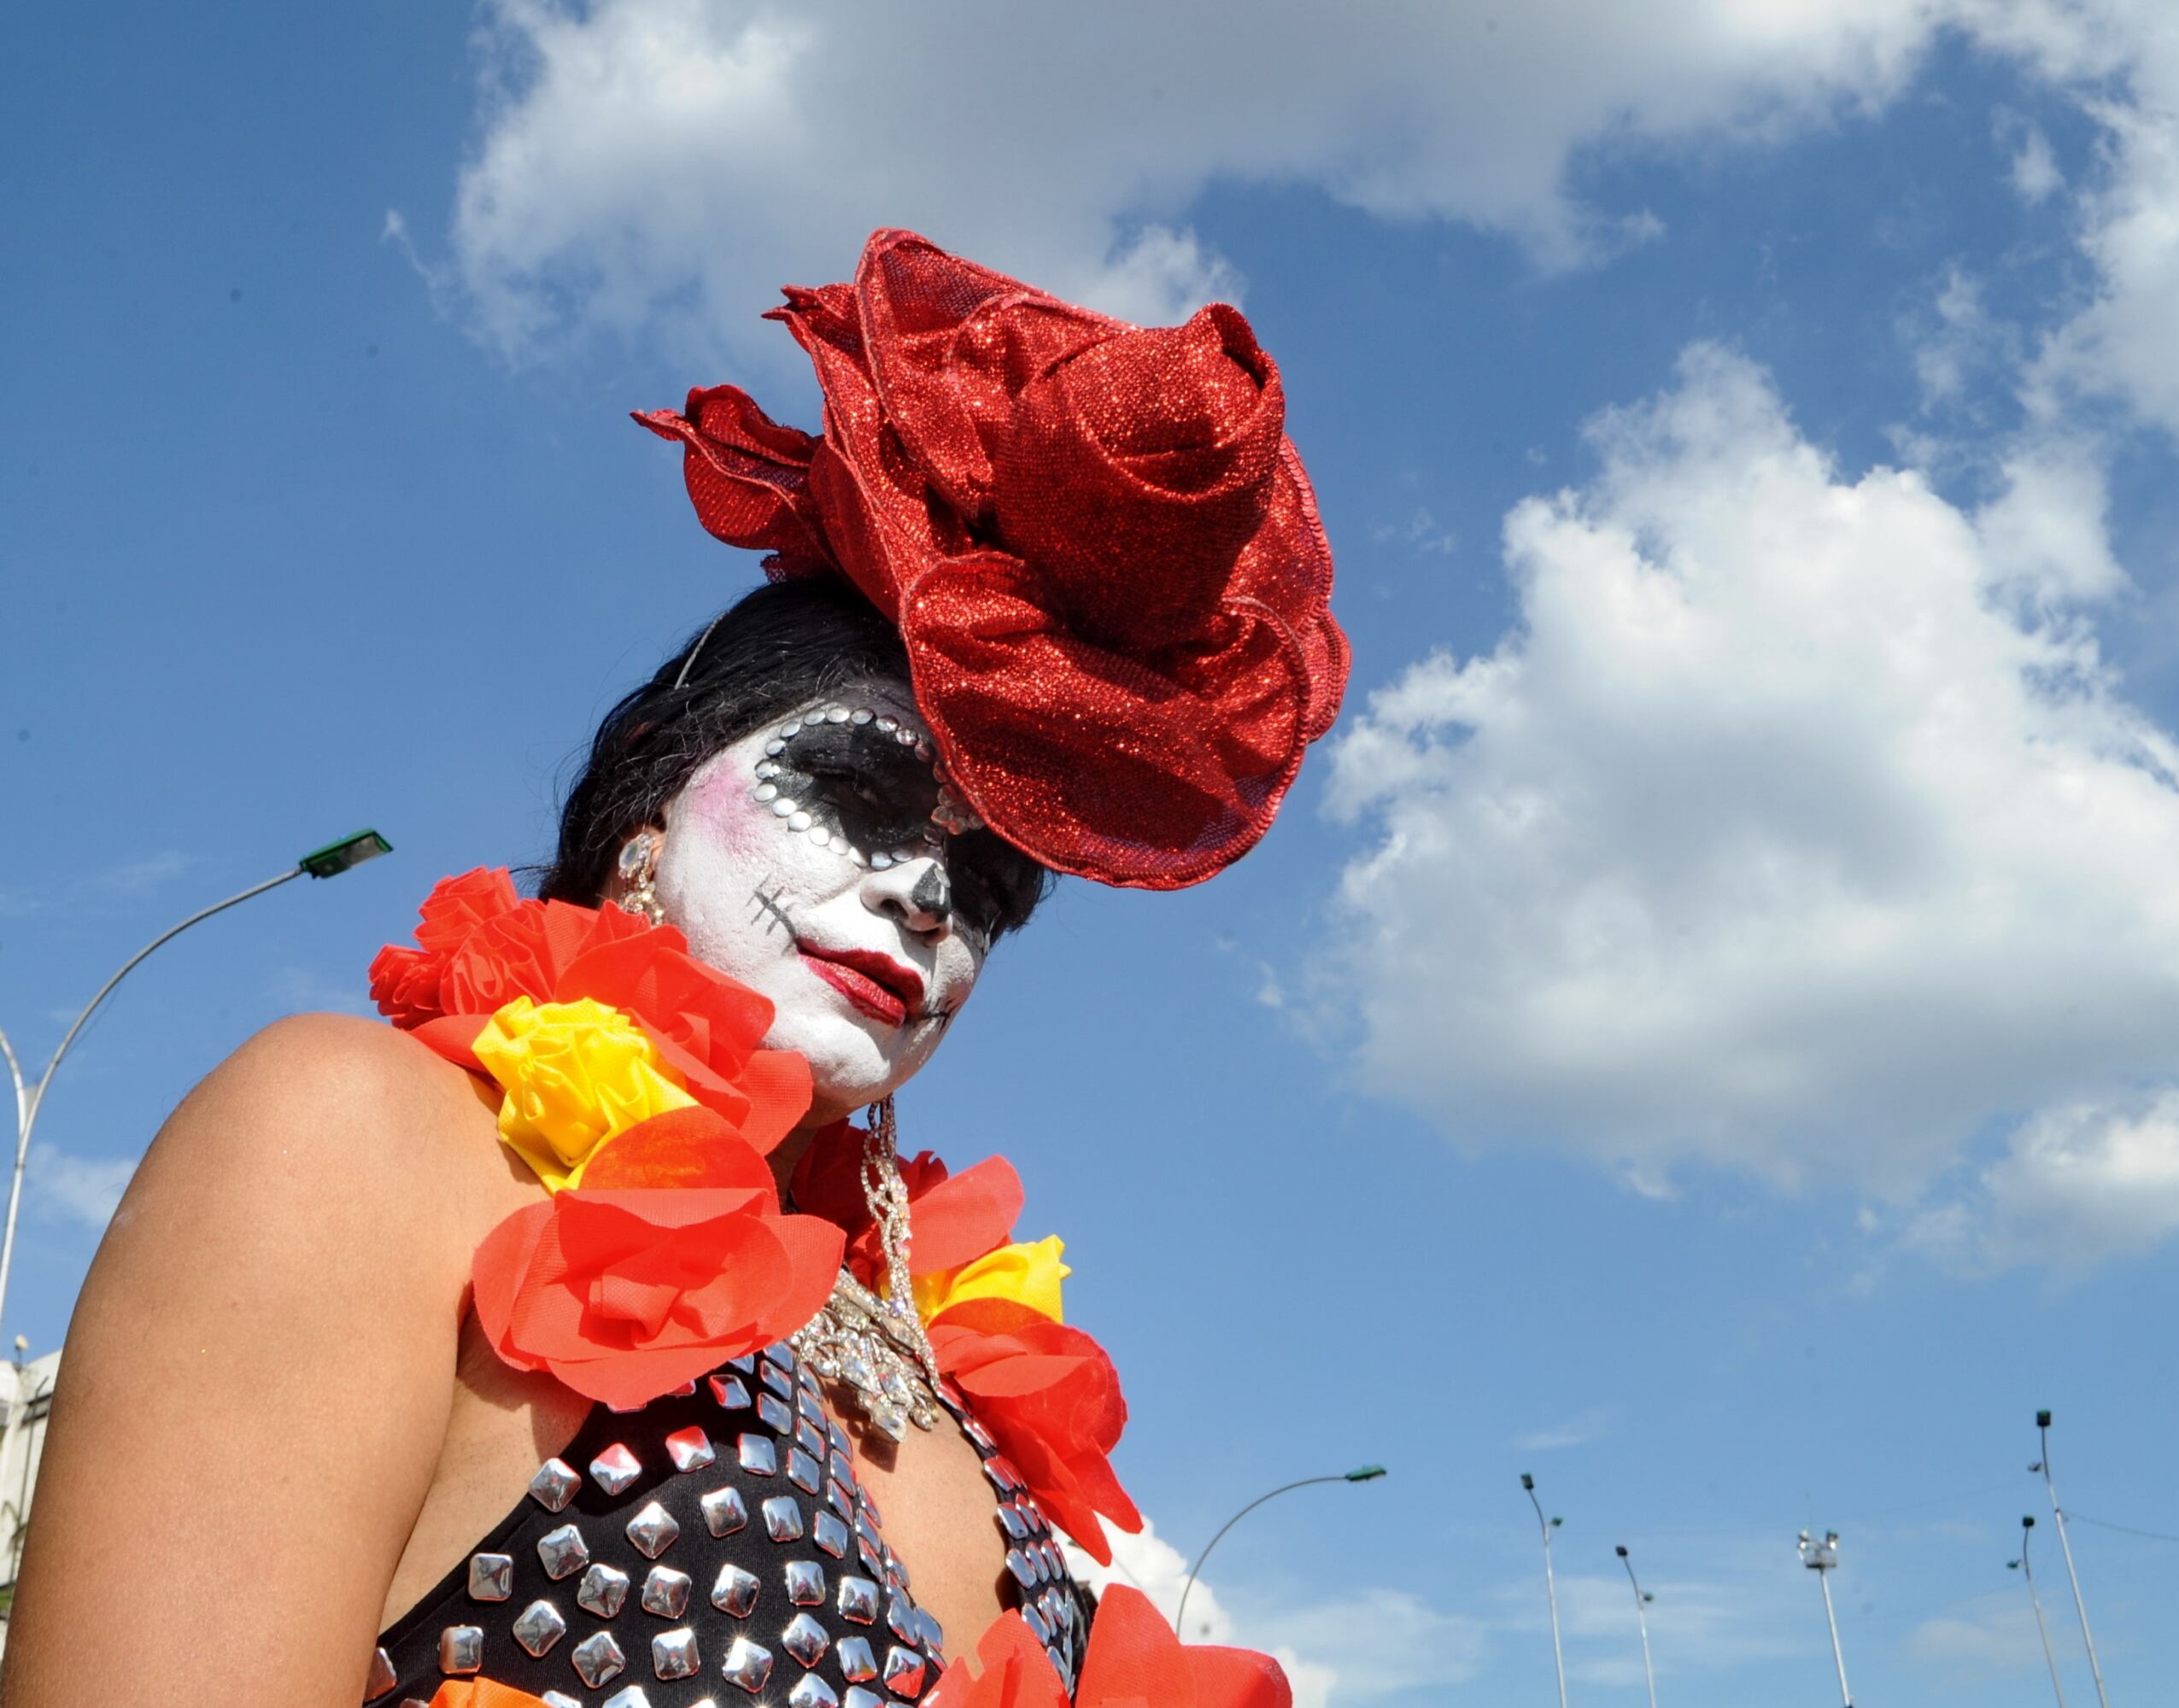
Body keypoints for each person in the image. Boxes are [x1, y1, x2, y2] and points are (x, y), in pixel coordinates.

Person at [3, 231, 1345, 1708]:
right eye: (862, 796)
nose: (924, 895)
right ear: (653, 790)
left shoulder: (959, 1386)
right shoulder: (354, 1139)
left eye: (989, 884)